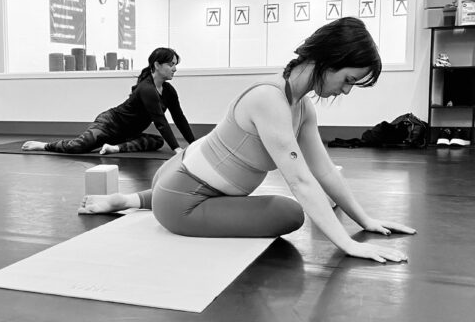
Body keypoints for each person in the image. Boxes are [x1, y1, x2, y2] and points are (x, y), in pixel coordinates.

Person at [77, 17, 416, 263]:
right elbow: (299, 179)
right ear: (329, 61)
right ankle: (147, 202)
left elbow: (324, 171)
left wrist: (365, 220)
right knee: (289, 213)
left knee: (242, 194)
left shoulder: (302, 108)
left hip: (179, 176)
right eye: (348, 80)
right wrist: (346, 244)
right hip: (183, 201)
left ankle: (129, 201)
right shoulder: (271, 100)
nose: (345, 90)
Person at [22, 47, 195, 154]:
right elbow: (161, 122)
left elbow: (179, 118)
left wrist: (193, 145)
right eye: (171, 64)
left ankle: (115, 148)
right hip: (110, 123)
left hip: (127, 134)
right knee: (79, 147)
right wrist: (177, 149)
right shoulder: (147, 88)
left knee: (157, 141)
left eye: (175, 64)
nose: (175, 68)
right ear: (157, 65)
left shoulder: (169, 91)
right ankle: (43, 146)